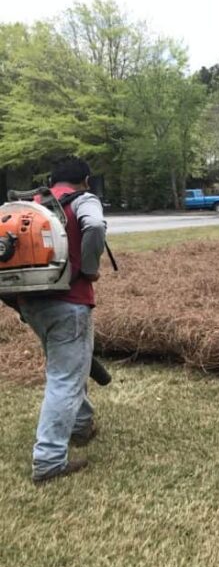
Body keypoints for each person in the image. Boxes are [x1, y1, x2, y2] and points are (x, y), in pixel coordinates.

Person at [18, 156, 107, 485]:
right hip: (69, 302)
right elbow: (95, 226)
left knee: (70, 367)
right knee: (65, 378)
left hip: (31, 304)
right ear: (85, 178)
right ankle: (49, 460)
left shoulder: (33, 202)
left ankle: (81, 426)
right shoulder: (83, 199)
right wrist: (88, 267)